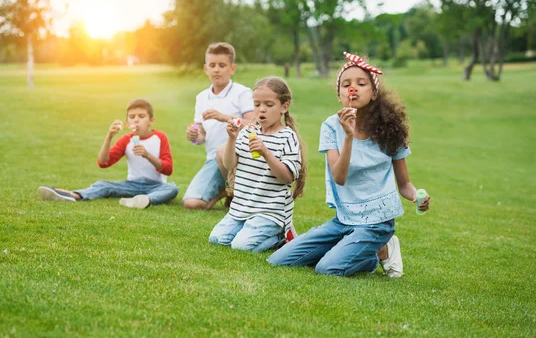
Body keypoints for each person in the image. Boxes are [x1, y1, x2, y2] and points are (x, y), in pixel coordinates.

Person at [268, 52, 431, 277]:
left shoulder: (390, 131)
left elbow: (404, 184)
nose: (352, 88)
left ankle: (379, 251)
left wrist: (416, 197)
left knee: (327, 268)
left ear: (374, 93)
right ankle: (360, 248)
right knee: (279, 260)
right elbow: (339, 177)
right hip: (344, 219)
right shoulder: (331, 126)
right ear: (340, 95)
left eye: (360, 83)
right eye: (346, 85)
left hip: (377, 222)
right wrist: (348, 136)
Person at [208, 76, 307, 252]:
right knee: (217, 239)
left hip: (269, 212)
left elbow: (286, 178)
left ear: (284, 106)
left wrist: (266, 153)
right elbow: (230, 164)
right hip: (242, 208)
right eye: (257, 104)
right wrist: (232, 139)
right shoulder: (247, 132)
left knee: (240, 246)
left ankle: (280, 235)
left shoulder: (287, 137)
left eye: (269, 105)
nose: (261, 110)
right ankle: (251, 229)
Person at [37, 99, 179, 209]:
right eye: (132, 117)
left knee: (172, 189)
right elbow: (103, 162)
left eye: (141, 116)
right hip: (131, 185)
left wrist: (147, 155)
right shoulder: (126, 140)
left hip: (156, 186)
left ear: (151, 121)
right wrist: (109, 136)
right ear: (127, 122)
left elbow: (168, 169)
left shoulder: (160, 137)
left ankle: (145, 200)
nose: (136, 119)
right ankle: (73, 195)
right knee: (103, 185)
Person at [183, 42, 254, 210]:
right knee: (191, 203)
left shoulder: (242, 93)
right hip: (213, 160)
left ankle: (234, 188)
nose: (216, 69)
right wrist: (195, 136)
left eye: (222, 65)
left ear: (232, 68)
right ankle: (228, 190)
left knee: (223, 151)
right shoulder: (201, 97)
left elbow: (254, 126)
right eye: (212, 65)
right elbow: (201, 135)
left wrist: (223, 117)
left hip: (241, 158)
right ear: (206, 68)